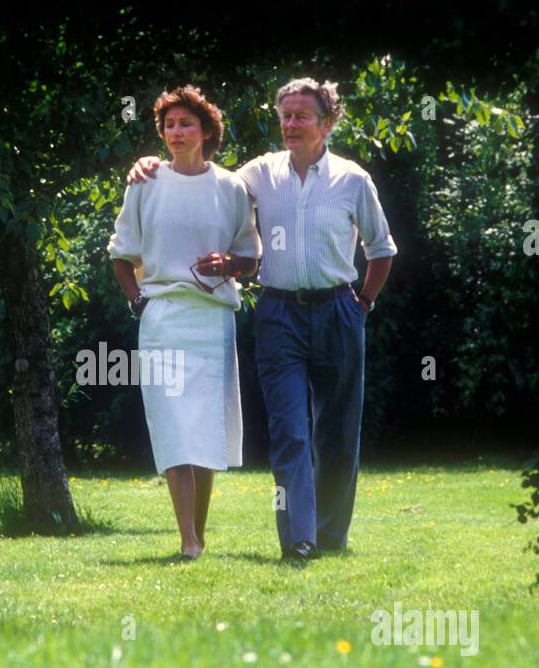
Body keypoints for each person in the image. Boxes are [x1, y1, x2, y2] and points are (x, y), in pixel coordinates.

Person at [127, 77, 397, 566]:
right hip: (278, 313)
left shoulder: (354, 180)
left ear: (328, 123)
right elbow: (201, 175)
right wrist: (149, 164)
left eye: (302, 117)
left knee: (337, 431)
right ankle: (299, 538)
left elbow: (381, 250)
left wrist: (363, 304)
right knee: (289, 429)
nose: (291, 125)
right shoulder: (257, 174)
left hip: (340, 309)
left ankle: (330, 533)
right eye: (285, 116)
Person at [108, 85, 260, 559]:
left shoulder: (232, 187)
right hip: (164, 318)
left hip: (213, 319)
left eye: (185, 124)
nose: (176, 132)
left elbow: (252, 258)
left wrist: (229, 264)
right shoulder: (144, 183)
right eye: (169, 125)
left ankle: (199, 533)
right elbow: (120, 253)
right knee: (174, 423)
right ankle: (187, 541)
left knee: (206, 427)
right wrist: (139, 302)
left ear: (206, 131)